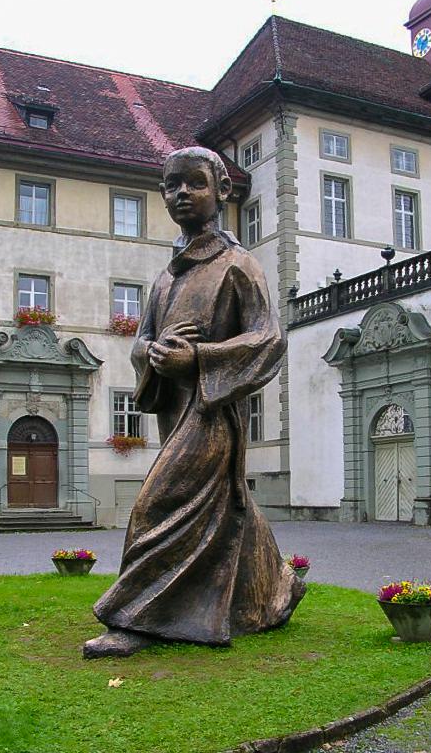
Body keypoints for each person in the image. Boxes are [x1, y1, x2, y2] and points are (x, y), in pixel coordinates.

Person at [84, 146, 305, 658]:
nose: (181, 192)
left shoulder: (238, 266)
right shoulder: (167, 276)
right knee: (226, 509)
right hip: (173, 410)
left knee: (155, 507)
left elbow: (269, 339)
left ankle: (133, 621)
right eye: (171, 185)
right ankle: (272, 593)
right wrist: (153, 352)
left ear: (222, 191)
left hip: (212, 415)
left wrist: (199, 359)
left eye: (194, 183)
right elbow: (141, 341)